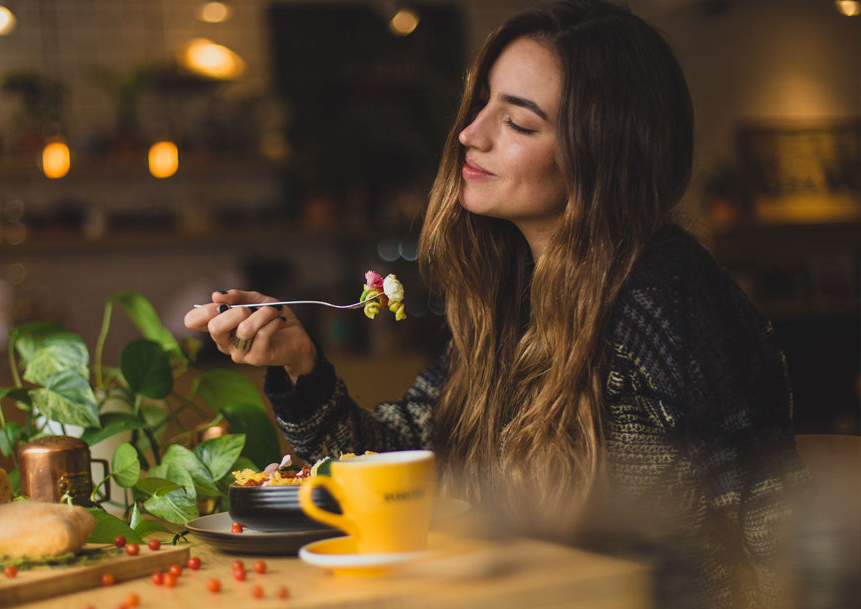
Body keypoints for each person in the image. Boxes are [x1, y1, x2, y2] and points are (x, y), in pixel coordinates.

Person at [185, 1, 807, 607]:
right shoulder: (513, 300)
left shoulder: (665, 295)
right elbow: (399, 463)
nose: (469, 132)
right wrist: (300, 364)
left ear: (603, 155)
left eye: (518, 122)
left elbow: (771, 522)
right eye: (482, 103)